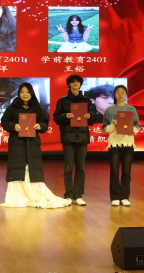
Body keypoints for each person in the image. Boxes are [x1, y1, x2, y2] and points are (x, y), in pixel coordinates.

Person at [0, 83, 71, 208]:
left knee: (32, 168)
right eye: (22, 92)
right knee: (18, 168)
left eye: (27, 92)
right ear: (19, 93)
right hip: (17, 143)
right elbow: (4, 121)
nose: (25, 94)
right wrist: (13, 126)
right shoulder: (12, 107)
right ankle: (18, 197)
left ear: (31, 93)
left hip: (32, 142)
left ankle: (34, 195)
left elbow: (45, 123)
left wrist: (40, 126)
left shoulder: (37, 108)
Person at [53, 74, 96, 205]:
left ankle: (78, 195)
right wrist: (65, 116)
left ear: (80, 84)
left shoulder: (87, 101)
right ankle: (68, 194)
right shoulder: (62, 101)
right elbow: (56, 119)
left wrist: (89, 116)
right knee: (68, 167)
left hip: (82, 137)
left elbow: (92, 120)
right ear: (69, 84)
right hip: (68, 137)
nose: (75, 83)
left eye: (77, 82)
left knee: (80, 168)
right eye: (73, 82)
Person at [102, 85, 140, 206]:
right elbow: (104, 128)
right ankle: (114, 197)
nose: (120, 94)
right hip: (114, 143)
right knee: (114, 170)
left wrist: (132, 129)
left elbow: (137, 125)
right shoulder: (110, 110)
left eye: (123, 92)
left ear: (126, 94)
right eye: (118, 92)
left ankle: (124, 197)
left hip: (128, 142)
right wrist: (113, 125)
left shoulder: (131, 109)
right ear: (114, 94)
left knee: (126, 171)